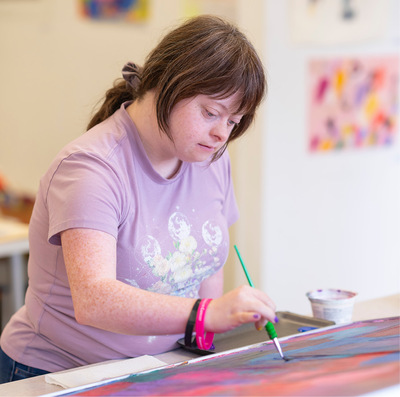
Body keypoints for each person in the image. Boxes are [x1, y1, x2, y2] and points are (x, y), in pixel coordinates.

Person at [0, 14, 276, 383]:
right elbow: (94, 299)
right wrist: (206, 312)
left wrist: (204, 346)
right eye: (211, 113)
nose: (220, 134)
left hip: (158, 367)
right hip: (59, 373)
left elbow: (207, 263)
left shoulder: (209, 157)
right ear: (166, 84)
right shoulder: (91, 169)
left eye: (233, 121)